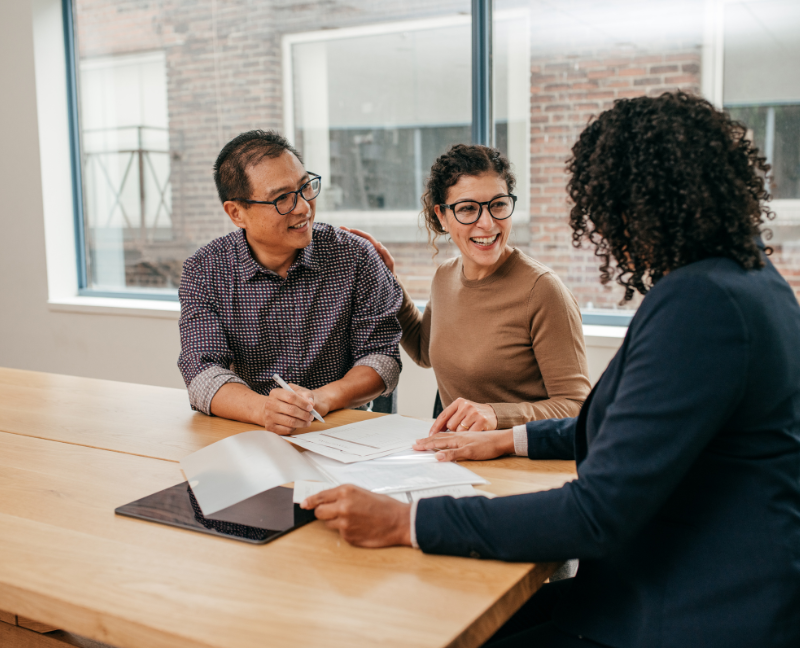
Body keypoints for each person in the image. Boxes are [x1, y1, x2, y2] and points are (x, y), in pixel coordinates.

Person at [302, 92, 800, 647]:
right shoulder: (746, 281)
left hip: (692, 609)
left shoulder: (703, 304)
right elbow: (631, 427)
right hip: (667, 581)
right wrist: (511, 439)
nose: (607, 231)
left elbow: (596, 511)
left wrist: (406, 522)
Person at [345, 144, 591, 433]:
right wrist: (388, 281)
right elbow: (425, 352)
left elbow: (576, 406)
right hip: (460, 453)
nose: (486, 223)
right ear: (442, 217)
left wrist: (496, 415)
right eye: (467, 209)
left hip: (521, 462)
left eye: (498, 204)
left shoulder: (543, 291)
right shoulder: (445, 276)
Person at [177, 130, 402, 434]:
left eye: (305, 187)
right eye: (282, 198)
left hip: (341, 428)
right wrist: (264, 410)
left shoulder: (356, 256)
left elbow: (382, 358)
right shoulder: (204, 270)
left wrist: (322, 398)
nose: (303, 207)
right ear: (236, 212)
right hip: (249, 431)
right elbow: (203, 371)